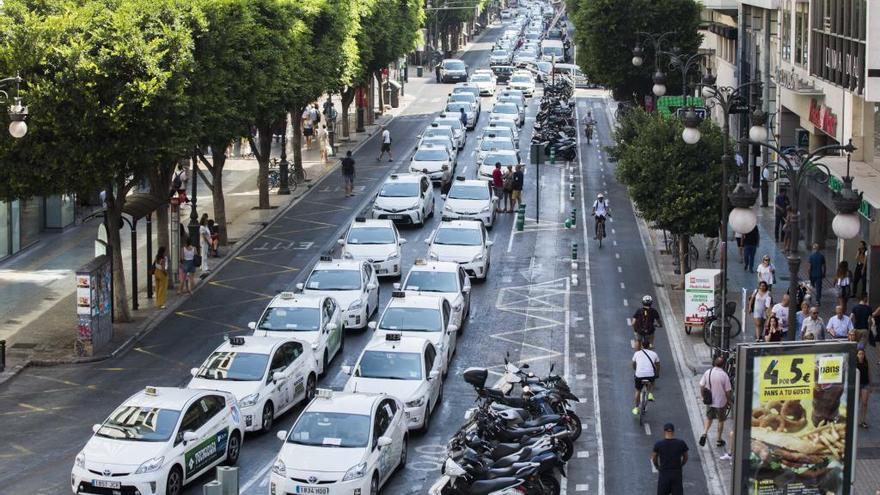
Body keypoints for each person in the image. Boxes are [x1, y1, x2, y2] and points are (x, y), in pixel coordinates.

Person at [699, 356, 732, 448]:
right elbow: (728, 391)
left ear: (714, 363)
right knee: (721, 421)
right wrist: (729, 401)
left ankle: (704, 433)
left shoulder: (708, 372)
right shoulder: (724, 375)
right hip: (721, 402)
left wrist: (702, 396)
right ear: (724, 365)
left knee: (709, 418)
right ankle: (719, 439)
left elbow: (701, 385)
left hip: (710, 401)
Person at [652, 423, 688, 495]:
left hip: (664, 473)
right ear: (673, 431)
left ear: (664, 431)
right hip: (676, 473)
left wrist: (657, 466)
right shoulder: (681, 443)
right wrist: (681, 465)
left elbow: (654, 458)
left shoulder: (658, 444)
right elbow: (685, 457)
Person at [632, 339, 659, 415]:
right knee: (653, 382)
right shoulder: (654, 354)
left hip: (639, 375)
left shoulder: (637, 353)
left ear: (642, 346)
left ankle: (636, 408)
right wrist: (657, 373)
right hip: (650, 375)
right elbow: (658, 364)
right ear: (649, 346)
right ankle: (650, 394)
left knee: (638, 390)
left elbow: (633, 364)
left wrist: (636, 369)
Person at [857, 348, 871, 428]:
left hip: (865, 384)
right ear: (857, 355)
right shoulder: (855, 363)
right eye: (860, 354)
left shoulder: (866, 362)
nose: (861, 355)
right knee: (857, 403)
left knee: (865, 403)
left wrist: (871, 384)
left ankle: (863, 420)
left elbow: (869, 373)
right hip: (857, 384)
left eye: (862, 354)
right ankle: (857, 419)